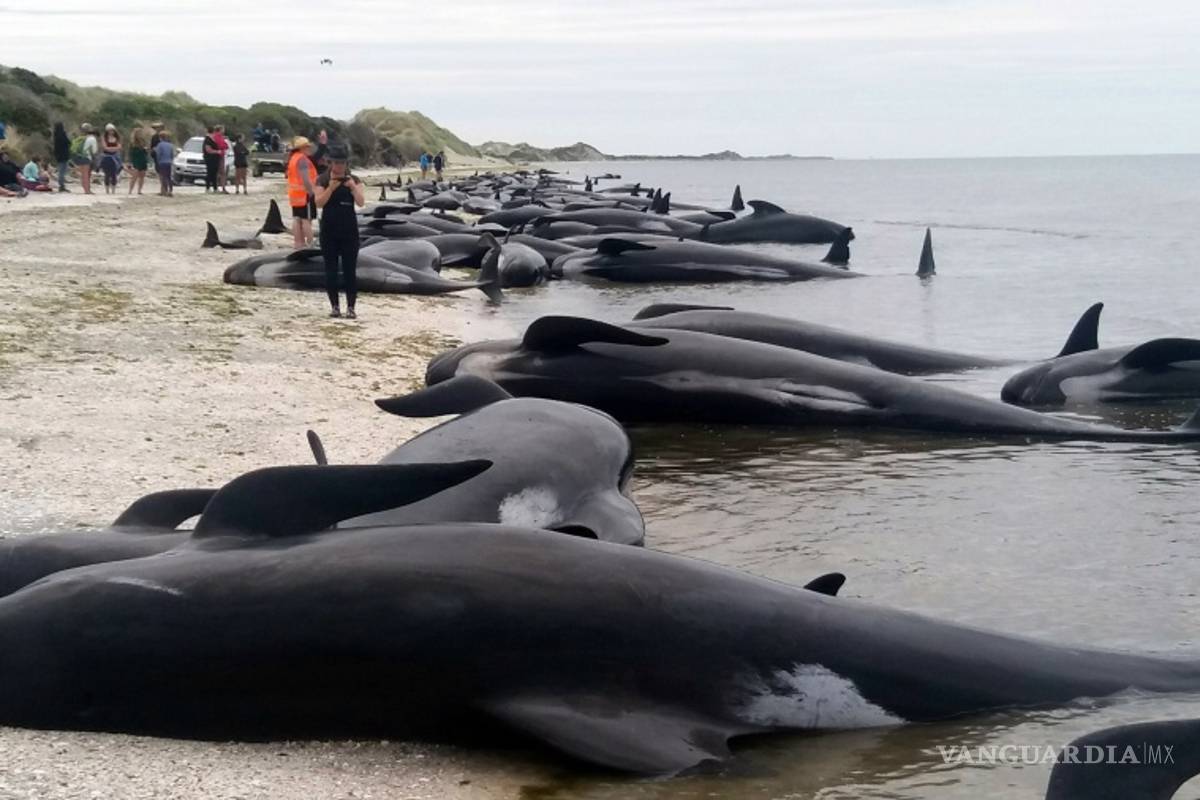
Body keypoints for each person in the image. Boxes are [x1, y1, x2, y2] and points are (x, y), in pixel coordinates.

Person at [314, 144, 365, 318]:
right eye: (336, 162)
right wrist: (331, 188)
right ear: (330, 162)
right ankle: (335, 306)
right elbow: (319, 203)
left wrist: (352, 187)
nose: (339, 166)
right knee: (331, 270)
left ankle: (351, 307)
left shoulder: (354, 179)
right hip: (329, 230)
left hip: (349, 230)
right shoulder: (322, 179)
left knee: (350, 270)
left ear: (346, 163)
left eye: (342, 163)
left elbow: (361, 202)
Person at [286, 136, 317, 248]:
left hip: (295, 194)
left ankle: (298, 243)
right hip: (305, 194)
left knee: (297, 218)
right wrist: (311, 191)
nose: (309, 149)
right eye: (307, 147)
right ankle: (310, 243)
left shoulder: (293, 158)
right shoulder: (302, 159)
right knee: (306, 220)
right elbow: (305, 179)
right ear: (302, 148)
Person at [73, 123, 98, 194]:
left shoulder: (80, 138)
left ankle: (85, 188)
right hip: (87, 157)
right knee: (86, 174)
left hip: (79, 156)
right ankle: (87, 190)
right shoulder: (92, 138)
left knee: (83, 174)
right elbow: (94, 150)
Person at [98, 123, 122, 194]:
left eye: (112, 130)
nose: (111, 132)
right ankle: (107, 190)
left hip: (115, 157)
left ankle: (113, 190)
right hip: (106, 157)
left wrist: (111, 149)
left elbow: (119, 147)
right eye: (109, 130)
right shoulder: (104, 138)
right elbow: (104, 147)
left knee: (114, 173)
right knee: (107, 174)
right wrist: (114, 148)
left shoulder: (117, 138)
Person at [153, 131, 175, 196]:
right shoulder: (170, 145)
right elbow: (172, 154)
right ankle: (170, 191)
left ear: (160, 138)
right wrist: (171, 160)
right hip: (169, 162)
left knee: (163, 177)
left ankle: (165, 191)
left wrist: (158, 161)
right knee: (169, 177)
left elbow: (158, 154)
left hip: (162, 162)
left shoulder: (160, 145)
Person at [127, 127, 148, 195]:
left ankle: (139, 190)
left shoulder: (143, 141)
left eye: (140, 133)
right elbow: (130, 153)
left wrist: (145, 150)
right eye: (138, 133)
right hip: (136, 160)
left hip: (142, 159)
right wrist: (129, 162)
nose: (140, 134)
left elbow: (146, 151)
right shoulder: (132, 142)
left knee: (142, 176)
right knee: (134, 176)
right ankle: (130, 190)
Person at [52, 122, 71, 192]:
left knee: (60, 170)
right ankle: (61, 185)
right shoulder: (63, 134)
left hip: (58, 155)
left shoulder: (55, 135)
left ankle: (61, 185)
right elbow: (68, 142)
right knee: (63, 171)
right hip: (64, 154)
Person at [201, 126, 220, 193]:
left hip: (215, 159)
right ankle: (207, 188)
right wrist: (217, 151)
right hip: (209, 158)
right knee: (209, 173)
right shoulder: (208, 139)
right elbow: (208, 150)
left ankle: (215, 188)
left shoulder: (213, 139)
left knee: (214, 173)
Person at [213, 125, 230, 193]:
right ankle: (220, 188)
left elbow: (226, 145)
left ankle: (220, 188)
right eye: (223, 129)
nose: (224, 130)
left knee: (220, 172)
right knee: (221, 173)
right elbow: (222, 145)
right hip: (218, 155)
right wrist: (223, 146)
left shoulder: (220, 137)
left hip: (220, 155)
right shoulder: (217, 137)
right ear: (220, 130)